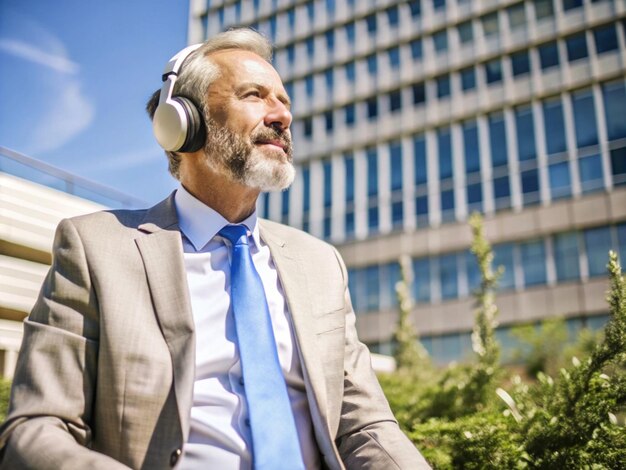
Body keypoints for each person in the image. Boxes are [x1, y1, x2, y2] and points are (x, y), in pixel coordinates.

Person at [0, 28, 430, 469]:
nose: (282, 116)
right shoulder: (95, 248)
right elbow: (35, 429)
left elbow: (365, 427)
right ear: (184, 122)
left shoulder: (321, 263)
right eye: (255, 95)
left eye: (284, 101)